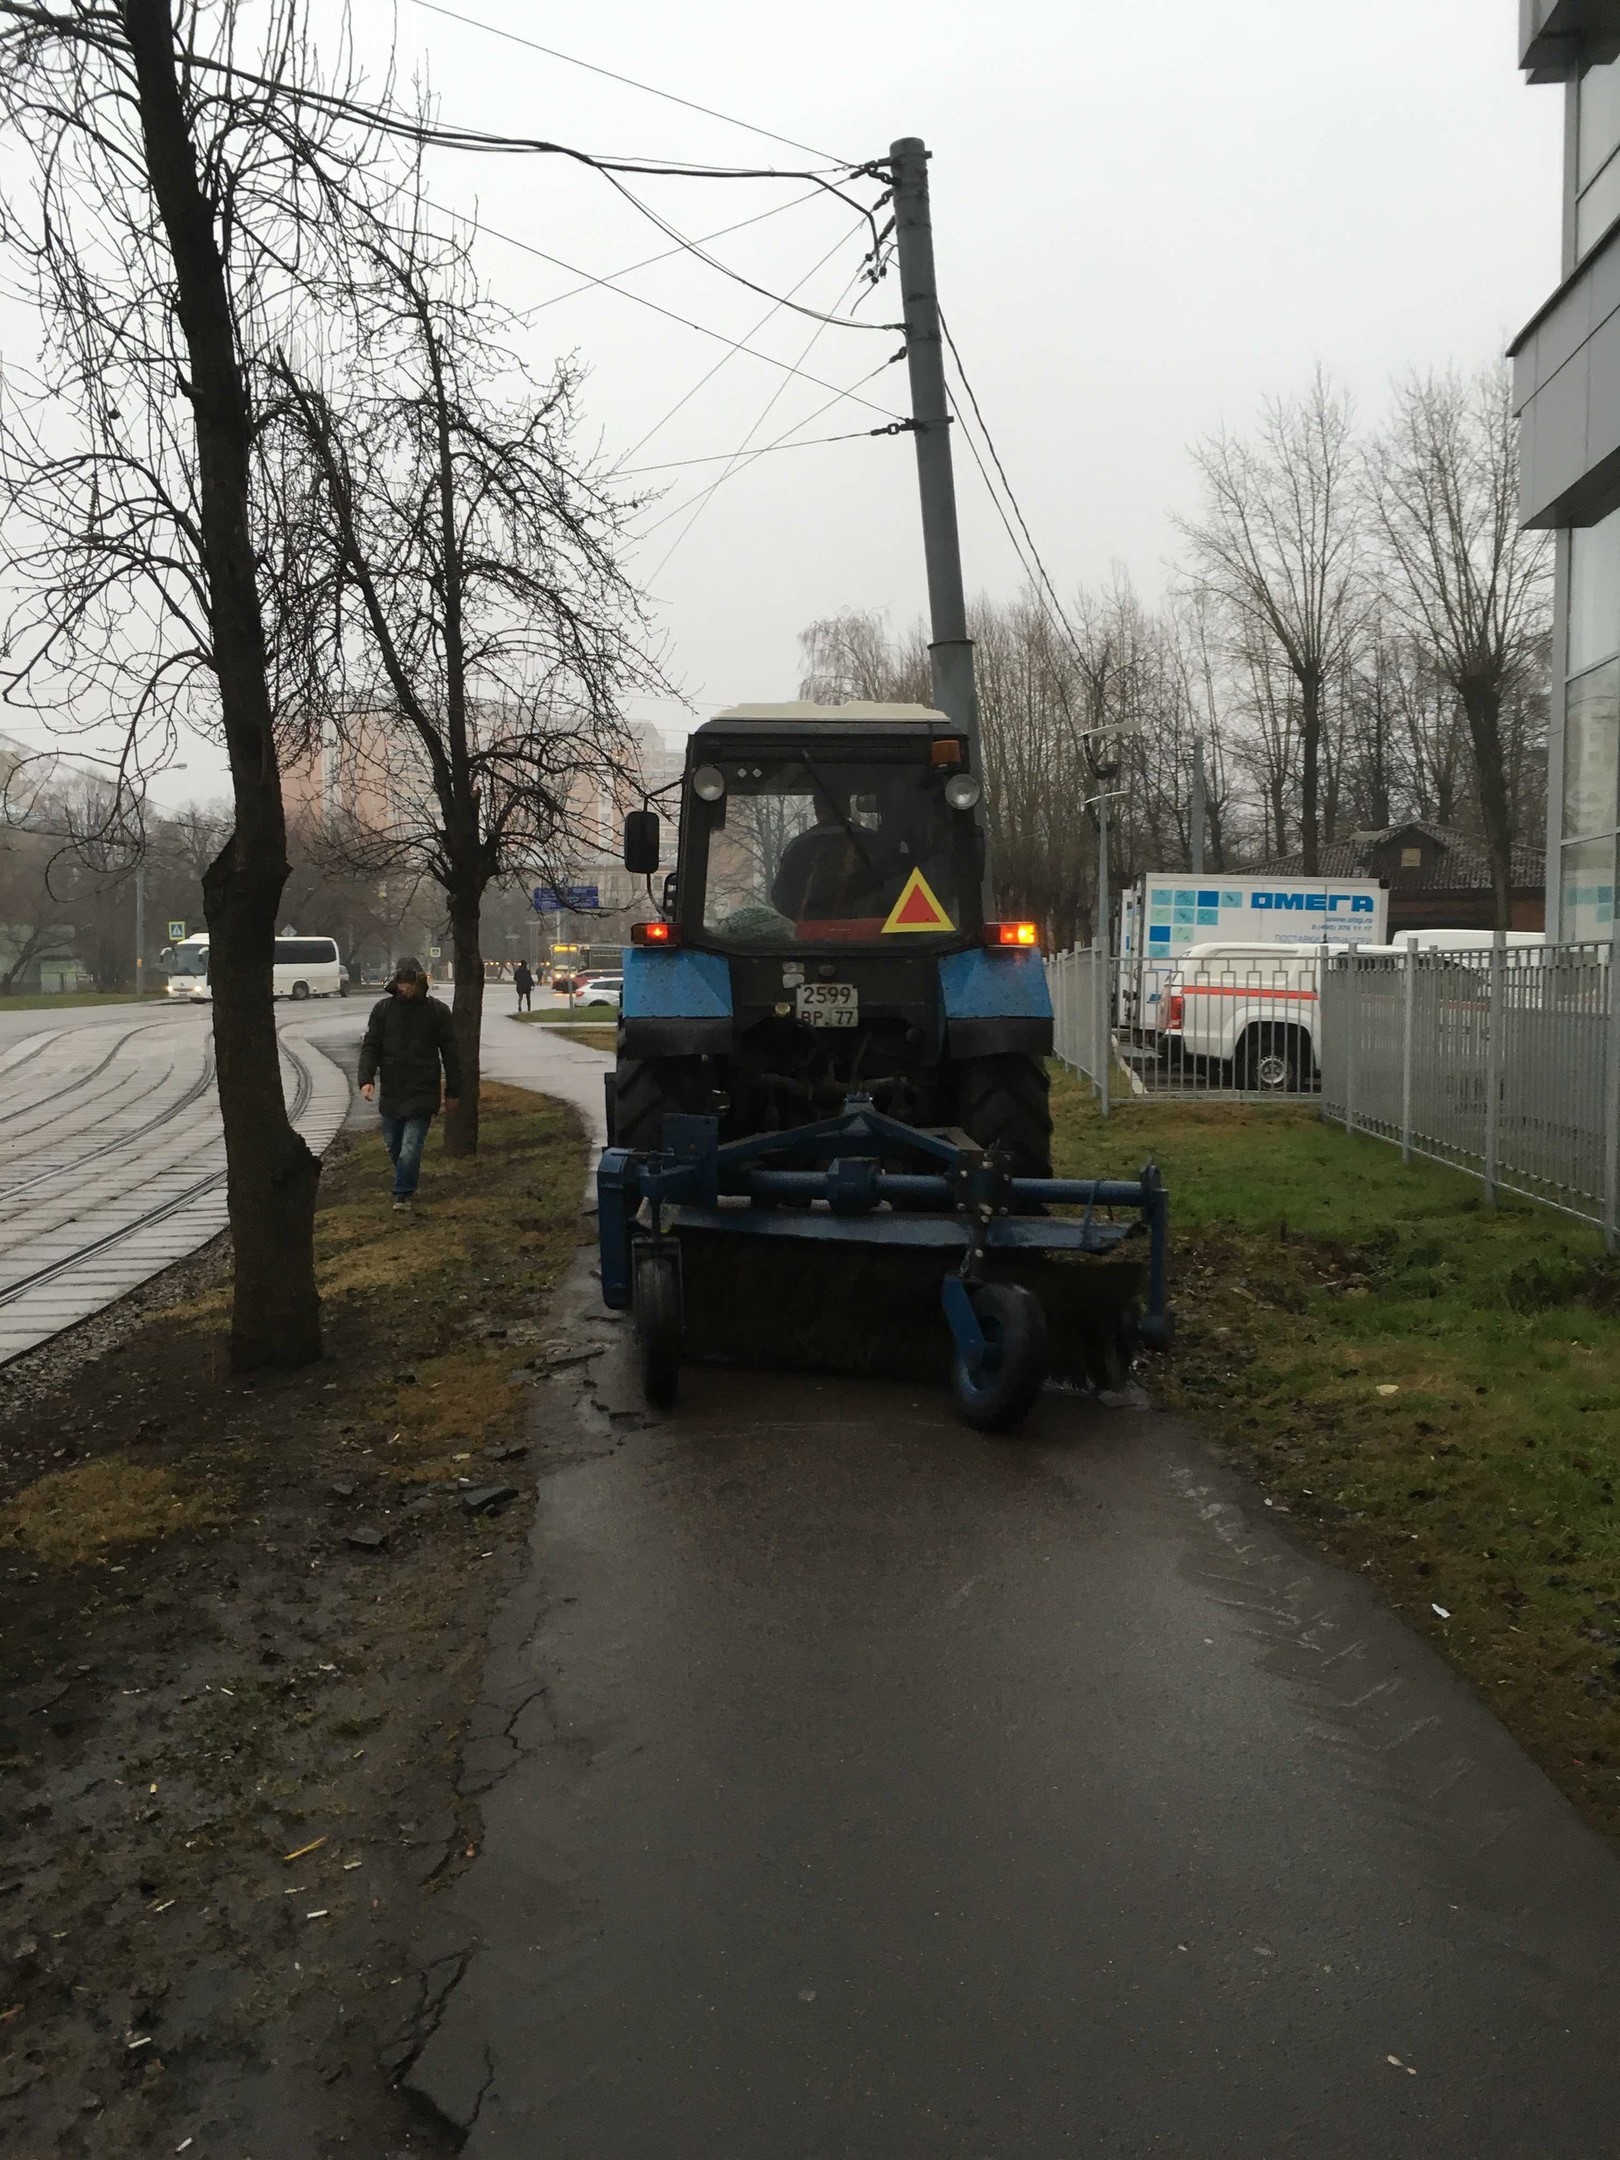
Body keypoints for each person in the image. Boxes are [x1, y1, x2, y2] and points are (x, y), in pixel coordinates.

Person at [358, 957, 462, 1214]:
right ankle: (407, 1180)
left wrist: (453, 1089)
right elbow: (371, 1046)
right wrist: (367, 1079)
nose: (405, 989)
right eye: (401, 984)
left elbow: (451, 1052)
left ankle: (402, 1194)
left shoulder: (437, 1012)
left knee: (409, 1147)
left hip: (422, 1090)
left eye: (409, 984)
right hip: (393, 1089)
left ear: (419, 983)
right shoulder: (383, 1010)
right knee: (393, 1144)